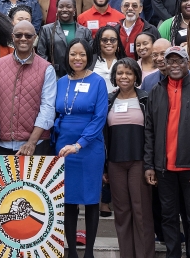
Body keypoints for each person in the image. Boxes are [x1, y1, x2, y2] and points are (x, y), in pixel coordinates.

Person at [144, 46, 190, 258]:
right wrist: (150, 165)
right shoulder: (156, 91)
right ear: (163, 64)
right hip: (164, 169)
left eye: (179, 61)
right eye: (170, 61)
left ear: (187, 64)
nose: (175, 65)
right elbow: (149, 131)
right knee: (168, 217)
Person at [55, 38, 108, 258]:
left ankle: (89, 252)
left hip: (89, 147)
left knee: (91, 199)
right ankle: (72, 252)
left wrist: (79, 144)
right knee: (68, 200)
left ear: (89, 56)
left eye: (82, 54)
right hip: (62, 147)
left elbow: (99, 117)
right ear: (67, 56)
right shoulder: (60, 82)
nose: (78, 58)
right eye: (73, 54)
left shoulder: (98, 82)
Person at [103, 57, 155, 258]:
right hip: (115, 163)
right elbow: (103, 134)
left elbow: (152, 133)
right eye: (120, 73)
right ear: (114, 77)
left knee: (141, 213)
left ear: (136, 76)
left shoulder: (145, 99)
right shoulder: (108, 100)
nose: (124, 76)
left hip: (139, 162)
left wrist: (150, 163)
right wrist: (104, 167)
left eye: (129, 73)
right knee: (122, 213)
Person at [0, 20, 56, 155]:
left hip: (36, 144)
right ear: (12, 37)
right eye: (19, 35)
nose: (23, 39)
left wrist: (32, 142)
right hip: (2, 143)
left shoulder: (46, 68)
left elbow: (48, 107)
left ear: (35, 38)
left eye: (28, 36)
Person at [37, 0, 93, 78]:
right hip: (54, 76)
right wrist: (49, 74)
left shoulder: (85, 31)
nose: (64, 9)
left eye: (69, 7)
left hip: (79, 75)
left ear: (74, 10)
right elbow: (42, 55)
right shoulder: (46, 30)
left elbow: (90, 55)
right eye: (61, 7)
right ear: (57, 9)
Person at [91, 26, 126, 94]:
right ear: (99, 42)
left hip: (120, 102)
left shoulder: (125, 62)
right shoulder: (90, 61)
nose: (109, 43)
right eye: (104, 40)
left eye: (113, 40)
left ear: (118, 42)